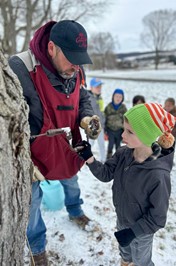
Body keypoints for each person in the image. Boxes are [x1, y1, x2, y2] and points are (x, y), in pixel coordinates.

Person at [9, 20, 101, 265]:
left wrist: (86, 116)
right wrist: (22, 160)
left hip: (67, 145)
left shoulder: (75, 68)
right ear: (51, 48)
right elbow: (9, 120)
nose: (76, 65)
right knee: (32, 204)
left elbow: (83, 95)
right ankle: (37, 248)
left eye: (80, 59)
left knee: (72, 181)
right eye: (71, 57)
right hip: (33, 156)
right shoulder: (19, 67)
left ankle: (75, 210)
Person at [75, 103, 176, 266]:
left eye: (129, 132)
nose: (123, 135)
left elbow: (158, 217)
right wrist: (90, 158)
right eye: (124, 129)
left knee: (141, 259)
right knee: (125, 251)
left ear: (147, 135)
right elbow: (106, 173)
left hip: (142, 231)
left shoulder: (158, 175)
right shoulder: (124, 153)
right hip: (122, 219)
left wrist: (133, 232)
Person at [104, 88, 127, 159]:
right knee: (110, 145)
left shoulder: (123, 108)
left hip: (119, 130)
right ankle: (109, 157)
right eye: (116, 96)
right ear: (113, 97)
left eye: (120, 97)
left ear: (122, 98)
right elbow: (105, 118)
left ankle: (117, 159)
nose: (118, 98)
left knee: (118, 146)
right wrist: (104, 131)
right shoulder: (108, 107)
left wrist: (125, 131)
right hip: (110, 130)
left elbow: (126, 120)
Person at [88, 77, 106, 162]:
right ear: (91, 88)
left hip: (100, 126)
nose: (99, 89)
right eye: (97, 87)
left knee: (101, 144)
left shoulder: (100, 98)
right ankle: (87, 158)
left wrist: (103, 123)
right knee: (90, 143)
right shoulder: (88, 98)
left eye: (100, 87)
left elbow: (102, 112)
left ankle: (103, 159)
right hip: (92, 126)